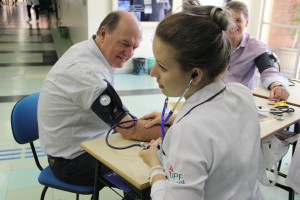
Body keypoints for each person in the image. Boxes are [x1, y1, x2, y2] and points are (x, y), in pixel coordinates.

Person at [139, 1, 263, 199]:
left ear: (195, 75)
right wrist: (179, 118)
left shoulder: (189, 131)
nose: (153, 73)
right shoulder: (241, 94)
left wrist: (154, 164)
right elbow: (219, 130)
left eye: (162, 67)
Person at [38, 10, 163, 187]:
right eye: (125, 44)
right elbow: (130, 130)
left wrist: (136, 123)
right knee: (149, 171)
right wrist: (174, 131)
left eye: (134, 47)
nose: (129, 53)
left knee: (148, 152)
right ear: (103, 33)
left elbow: (123, 121)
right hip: (72, 162)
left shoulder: (90, 51)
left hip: (91, 140)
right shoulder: (86, 71)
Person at [222, 1, 289, 101]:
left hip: (241, 100)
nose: (233, 25)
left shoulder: (255, 46)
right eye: (229, 20)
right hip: (215, 98)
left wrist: (277, 86)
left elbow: (268, 70)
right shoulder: (214, 42)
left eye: (238, 20)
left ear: (246, 23)